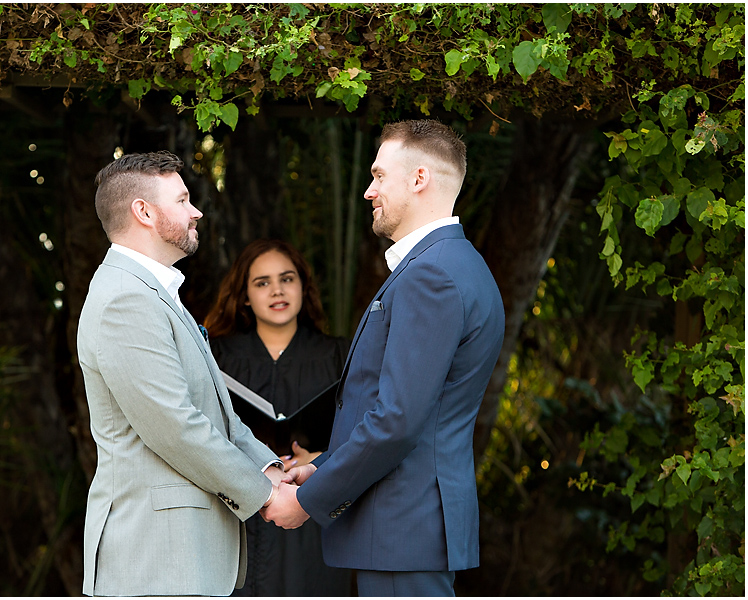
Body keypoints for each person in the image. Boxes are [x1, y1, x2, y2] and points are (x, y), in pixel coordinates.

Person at [262, 120, 506, 597]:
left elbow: (397, 420)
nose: (369, 191)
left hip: (401, 528)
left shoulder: (429, 276)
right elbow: (416, 413)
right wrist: (325, 464)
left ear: (419, 179)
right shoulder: (458, 264)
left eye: (379, 175)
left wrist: (309, 500)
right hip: (407, 528)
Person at [77, 151, 303, 597]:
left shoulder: (154, 292)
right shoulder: (126, 299)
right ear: (143, 212)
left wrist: (272, 469)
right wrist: (266, 494)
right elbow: (175, 426)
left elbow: (217, 412)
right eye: (182, 200)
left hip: (178, 559)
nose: (196, 210)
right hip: (153, 560)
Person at [203, 239, 352, 597]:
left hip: (312, 514)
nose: (277, 290)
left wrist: (320, 460)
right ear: (244, 296)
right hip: (238, 512)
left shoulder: (339, 355)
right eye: (262, 282)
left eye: (287, 279)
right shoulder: (216, 356)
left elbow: (367, 434)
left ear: (303, 287)